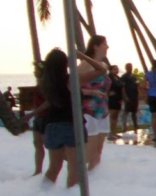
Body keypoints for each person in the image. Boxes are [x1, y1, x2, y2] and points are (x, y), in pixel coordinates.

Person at [38, 49, 99, 187]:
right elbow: (101, 70)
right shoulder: (71, 79)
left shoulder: (47, 82)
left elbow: (51, 101)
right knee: (75, 170)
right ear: (65, 63)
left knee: (53, 168)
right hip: (71, 125)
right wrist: (82, 56)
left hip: (52, 126)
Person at [79, 36, 112, 168]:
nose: (107, 47)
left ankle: (94, 177)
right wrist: (92, 92)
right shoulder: (85, 65)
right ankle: (79, 179)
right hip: (89, 110)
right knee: (89, 151)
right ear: (95, 46)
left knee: (99, 150)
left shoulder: (104, 65)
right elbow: (72, 87)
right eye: (105, 44)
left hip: (102, 109)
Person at [121, 63, 139, 135]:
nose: (130, 68)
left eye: (131, 67)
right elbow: (122, 87)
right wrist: (125, 96)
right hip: (128, 96)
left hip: (134, 96)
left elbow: (136, 85)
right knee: (126, 111)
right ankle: (124, 127)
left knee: (134, 112)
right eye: (128, 67)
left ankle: (135, 126)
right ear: (126, 68)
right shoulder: (124, 76)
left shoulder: (134, 76)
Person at [106, 65, 123, 141]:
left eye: (117, 69)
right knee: (112, 116)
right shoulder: (108, 78)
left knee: (116, 116)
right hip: (111, 99)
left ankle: (114, 132)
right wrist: (108, 93)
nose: (116, 70)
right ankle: (110, 133)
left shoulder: (118, 78)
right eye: (114, 69)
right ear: (111, 70)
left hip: (118, 99)